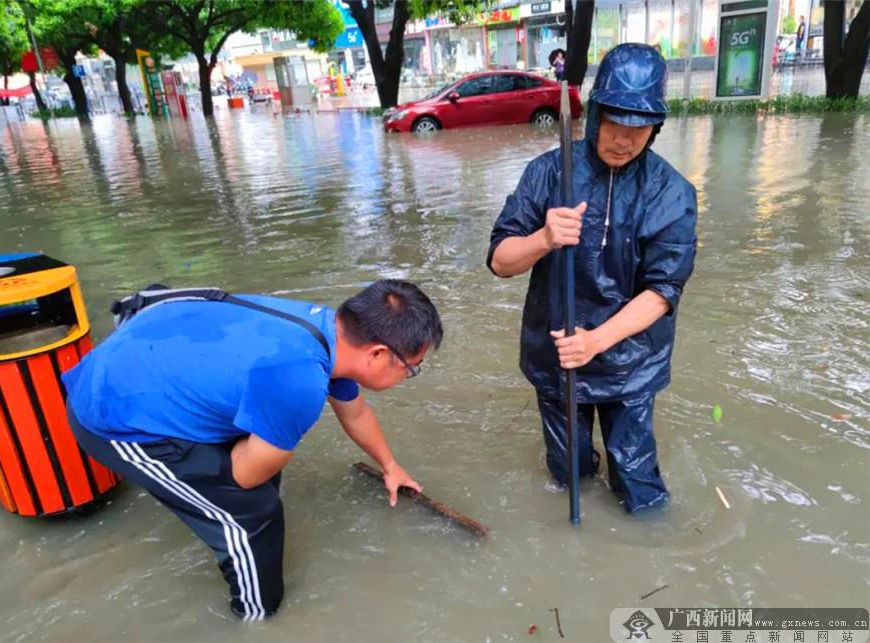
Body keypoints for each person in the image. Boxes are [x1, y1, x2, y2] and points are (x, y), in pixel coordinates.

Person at [64, 280, 443, 619]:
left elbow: (354, 410)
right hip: (113, 416)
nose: (408, 377)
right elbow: (245, 477)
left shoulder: (324, 330)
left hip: (133, 364)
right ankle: (256, 616)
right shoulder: (299, 381)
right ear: (377, 354)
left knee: (262, 454)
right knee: (251, 514)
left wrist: (391, 465)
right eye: (411, 368)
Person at [486, 43, 697, 514]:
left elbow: (663, 292)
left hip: (631, 358)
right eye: (614, 124)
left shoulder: (672, 193)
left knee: (638, 484)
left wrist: (596, 341)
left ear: (655, 128)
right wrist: (543, 237)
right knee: (569, 473)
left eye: (638, 128)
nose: (623, 140)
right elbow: (501, 260)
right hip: (557, 355)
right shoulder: (546, 173)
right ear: (596, 113)